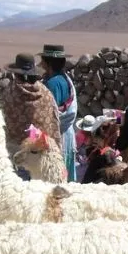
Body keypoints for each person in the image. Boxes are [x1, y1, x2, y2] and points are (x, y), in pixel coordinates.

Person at [0, 53, 62, 180]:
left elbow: (2, 118)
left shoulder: (10, 93)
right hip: (41, 156)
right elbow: (54, 118)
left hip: (15, 152)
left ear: (15, 72)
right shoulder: (45, 92)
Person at [38, 44, 78, 182]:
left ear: (48, 63)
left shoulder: (53, 84)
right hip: (67, 133)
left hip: (58, 134)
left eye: (43, 60)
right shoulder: (65, 79)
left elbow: (51, 112)